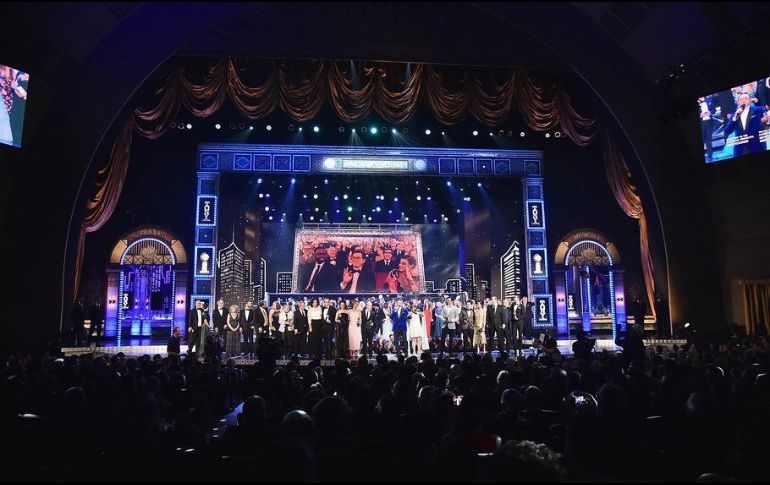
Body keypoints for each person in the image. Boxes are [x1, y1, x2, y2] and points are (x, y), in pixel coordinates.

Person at [724, 92, 767, 157]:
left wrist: (766, 121)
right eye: (741, 99)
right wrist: (734, 118)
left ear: (750, 100)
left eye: (746, 98)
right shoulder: (734, 115)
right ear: (738, 102)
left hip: (757, 146)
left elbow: (765, 124)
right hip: (740, 149)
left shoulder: (759, 109)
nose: (743, 100)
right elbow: (727, 131)